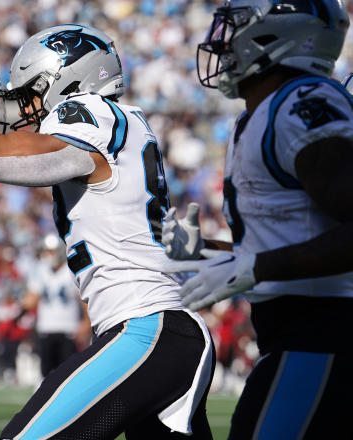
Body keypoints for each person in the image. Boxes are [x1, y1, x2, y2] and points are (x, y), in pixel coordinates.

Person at [0, 24, 215, 439]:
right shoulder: (123, 123)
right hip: (158, 331)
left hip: (147, 328)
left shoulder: (90, 112)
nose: (28, 108)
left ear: (68, 80)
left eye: (32, 93)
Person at [162, 0, 353, 437]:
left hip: (323, 337)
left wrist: (256, 267)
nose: (222, 42)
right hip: (299, 336)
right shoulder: (263, 112)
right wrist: (211, 253)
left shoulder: (301, 104)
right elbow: (296, 235)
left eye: (236, 29)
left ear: (276, 35)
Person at [20, 233, 90, 378]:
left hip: (68, 329)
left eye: (50, 251)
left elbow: (83, 300)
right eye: (46, 251)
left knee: (67, 374)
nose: (47, 255)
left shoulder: (70, 270)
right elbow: (31, 300)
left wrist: (86, 322)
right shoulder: (40, 269)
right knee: (45, 374)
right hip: (46, 328)